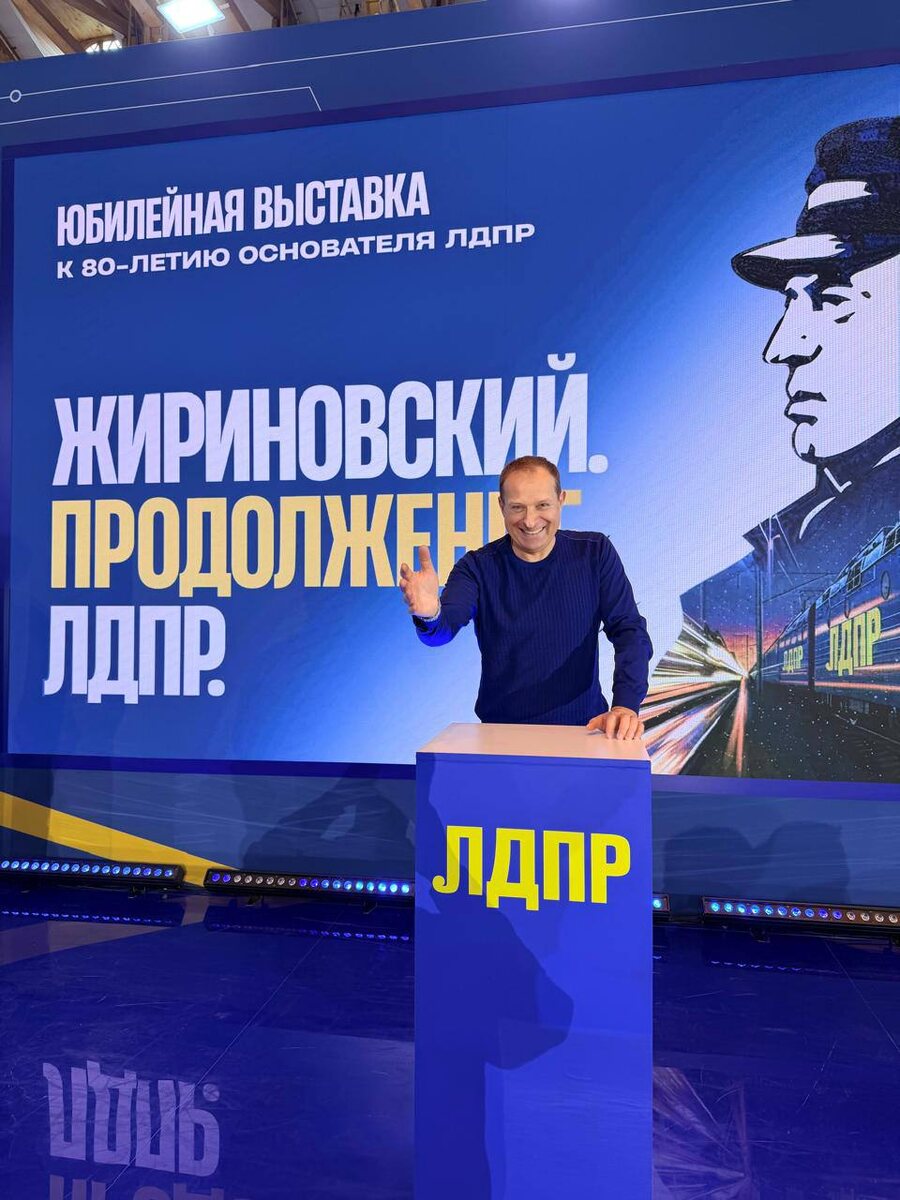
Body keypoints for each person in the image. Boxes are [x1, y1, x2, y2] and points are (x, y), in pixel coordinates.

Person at [398, 455, 652, 741]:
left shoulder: (594, 552)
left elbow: (628, 630)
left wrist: (625, 705)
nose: (530, 521)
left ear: (561, 500)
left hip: (585, 730)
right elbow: (441, 631)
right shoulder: (477, 567)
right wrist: (430, 614)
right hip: (501, 735)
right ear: (501, 506)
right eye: (517, 507)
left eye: (542, 505)